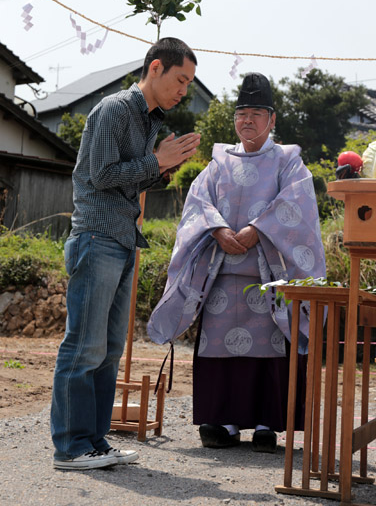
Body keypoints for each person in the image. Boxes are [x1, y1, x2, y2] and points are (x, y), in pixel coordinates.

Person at [148, 72, 326, 453]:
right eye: (241, 113)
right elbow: (198, 203)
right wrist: (216, 230)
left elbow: (298, 204)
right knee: (219, 350)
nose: (247, 120)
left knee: (268, 349)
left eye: (256, 113)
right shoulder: (218, 162)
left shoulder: (288, 162)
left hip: (269, 276)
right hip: (222, 276)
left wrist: (257, 230)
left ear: (272, 119)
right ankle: (221, 421)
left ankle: (266, 424)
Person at [51, 37, 201, 470]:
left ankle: (94, 442)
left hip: (121, 240)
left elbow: (127, 181)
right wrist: (156, 163)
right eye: (180, 79)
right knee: (83, 347)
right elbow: (99, 175)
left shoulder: (148, 121)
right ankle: (71, 446)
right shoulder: (115, 109)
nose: (184, 91)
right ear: (155, 68)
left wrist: (162, 167)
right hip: (96, 238)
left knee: (109, 349)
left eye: (188, 83)